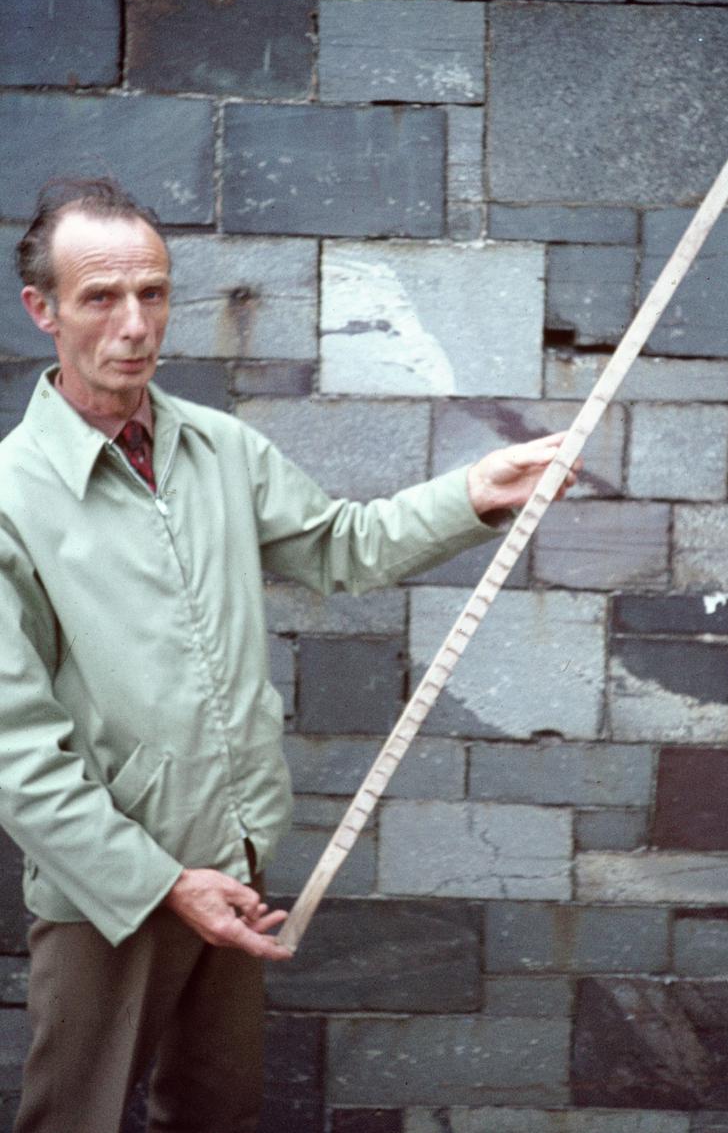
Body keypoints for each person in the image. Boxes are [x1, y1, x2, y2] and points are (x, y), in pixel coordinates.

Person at [0, 176, 580, 1133]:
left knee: (219, 1115)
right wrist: (160, 883)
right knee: (79, 1120)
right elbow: (17, 754)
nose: (136, 324)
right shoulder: (14, 497)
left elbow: (342, 546)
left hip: (235, 870)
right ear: (43, 312)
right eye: (101, 297)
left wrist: (477, 490)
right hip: (111, 894)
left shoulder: (222, 450)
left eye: (153, 292)